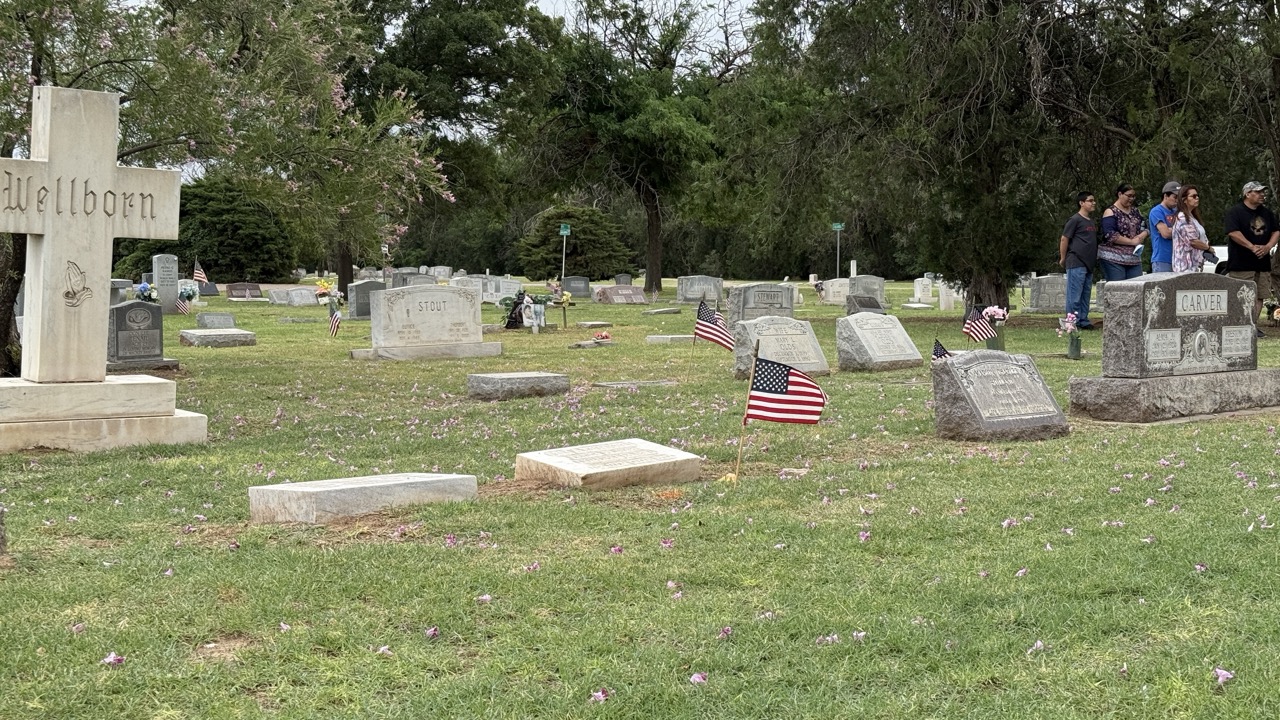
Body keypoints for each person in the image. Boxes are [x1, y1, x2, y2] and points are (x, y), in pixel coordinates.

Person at [1224, 181, 1279, 336]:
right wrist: (1252, 246)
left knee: (1259, 295)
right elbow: (1233, 232)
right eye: (1258, 191)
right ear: (1247, 194)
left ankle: (1252, 326)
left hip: (1262, 263)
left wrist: (1268, 246)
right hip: (1241, 263)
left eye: (1263, 191)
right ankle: (1238, 325)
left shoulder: (1267, 213)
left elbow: (1276, 231)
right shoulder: (1235, 212)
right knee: (1240, 294)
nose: (1262, 194)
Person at [1058, 191, 1098, 329]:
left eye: (1094, 200)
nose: (1093, 203)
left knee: (1085, 294)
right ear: (1081, 203)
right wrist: (1063, 258)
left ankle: (1083, 320)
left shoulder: (1090, 222)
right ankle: (1071, 321)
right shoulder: (1074, 219)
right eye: (1090, 200)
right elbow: (1064, 238)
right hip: (1076, 261)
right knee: (1074, 296)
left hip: (1088, 264)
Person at [1098, 183, 1148, 280]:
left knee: (1135, 289)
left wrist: (1141, 236)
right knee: (1117, 289)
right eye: (1129, 196)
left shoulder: (1136, 211)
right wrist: (1131, 242)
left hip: (1134, 258)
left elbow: (1145, 227)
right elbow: (1110, 235)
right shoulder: (1110, 211)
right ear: (1120, 194)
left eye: (1133, 196)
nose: (1131, 199)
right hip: (1113, 259)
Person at [1171, 185, 1212, 273]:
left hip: (1194, 266)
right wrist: (1208, 248)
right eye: (1193, 196)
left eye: (1197, 196)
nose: (1197, 198)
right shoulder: (1182, 218)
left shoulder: (1192, 217)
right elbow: (1193, 241)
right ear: (1184, 200)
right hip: (1185, 267)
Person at [1148, 181, 1180, 273]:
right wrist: (1181, 231)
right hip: (1162, 258)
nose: (1177, 200)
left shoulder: (1177, 212)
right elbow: (1165, 233)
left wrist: (1172, 230)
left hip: (1177, 258)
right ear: (1166, 196)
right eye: (1175, 197)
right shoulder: (1157, 211)